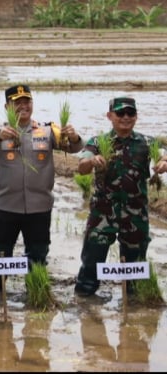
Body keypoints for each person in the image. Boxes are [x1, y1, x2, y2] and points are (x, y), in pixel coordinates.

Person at [0, 84, 84, 293]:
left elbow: (75, 147)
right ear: (7, 106)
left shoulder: (46, 130)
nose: (23, 106)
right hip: (6, 206)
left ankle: (36, 295)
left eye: (27, 102)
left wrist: (74, 136)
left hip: (39, 207)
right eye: (17, 103)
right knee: (0, 254)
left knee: (38, 254)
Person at [74, 97, 167, 296]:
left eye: (130, 113)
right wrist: (92, 162)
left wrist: (163, 163)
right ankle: (85, 303)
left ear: (136, 116)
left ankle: (133, 303)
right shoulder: (98, 142)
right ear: (110, 116)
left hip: (135, 214)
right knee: (92, 261)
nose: (126, 117)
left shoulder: (147, 142)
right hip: (102, 214)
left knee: (135, 266)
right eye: (120, 113)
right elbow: (81, 166)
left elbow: (163, 154)